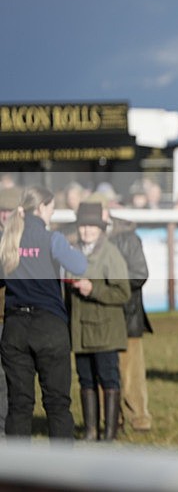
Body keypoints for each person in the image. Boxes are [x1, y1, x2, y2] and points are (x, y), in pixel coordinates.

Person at [0, 186, 88, 440]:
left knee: (19, 404)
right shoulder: (52, 239)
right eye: (51, 208)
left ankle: (16, 471)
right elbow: (79, 265)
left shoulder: (8, 240)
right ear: (40, 208)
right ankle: (61, 470)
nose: (51, 214)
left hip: (15, 327)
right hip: (49, 326)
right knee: (57, 403)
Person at [66, 202, 131, 441]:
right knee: (85, 381)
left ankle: (110, 434)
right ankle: (91, 431)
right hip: (80, 331)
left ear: (100, 228)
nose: (86, 231)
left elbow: (123, 292)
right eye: (83, 226)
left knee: (108, 380)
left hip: (105, 333)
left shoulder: (110, 253)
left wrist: (94, 289)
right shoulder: (71, 251)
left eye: (91, 226)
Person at [95, 194, 154, 432]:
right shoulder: (84, 236)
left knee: (131, 374)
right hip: (99, 317)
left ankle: (139, 419)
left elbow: (140, 273)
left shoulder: (128, 237)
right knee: (102, 372)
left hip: (127, 315)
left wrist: (109, 288)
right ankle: (110, 420)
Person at [0, 185, 23, 438]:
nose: (4, 216)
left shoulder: (25, 241)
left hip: (16, 319)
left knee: (13, 380)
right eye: (1, 211)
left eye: (9, 211)